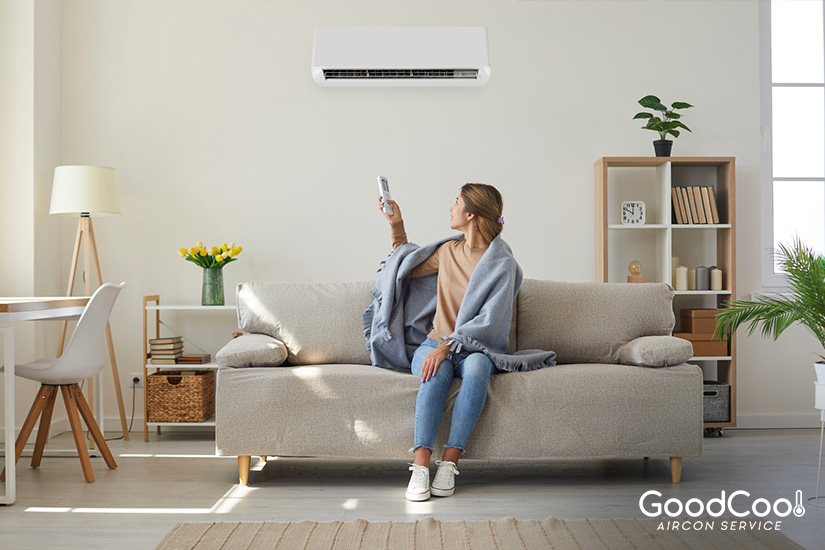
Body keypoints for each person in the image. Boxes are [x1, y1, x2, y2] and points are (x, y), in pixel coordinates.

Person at [378, 183, 513, 502]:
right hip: (432, 344)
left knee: (479, 367)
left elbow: (490, 322)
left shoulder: (501, 262)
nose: (450, 208)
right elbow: (405, 269)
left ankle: (450, 462)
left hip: (476, 348)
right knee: (434, 370)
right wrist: (397, 225)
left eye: (456, 203)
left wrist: (448, 347)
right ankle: (421, 465)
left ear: (470, 214)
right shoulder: (448, 252)